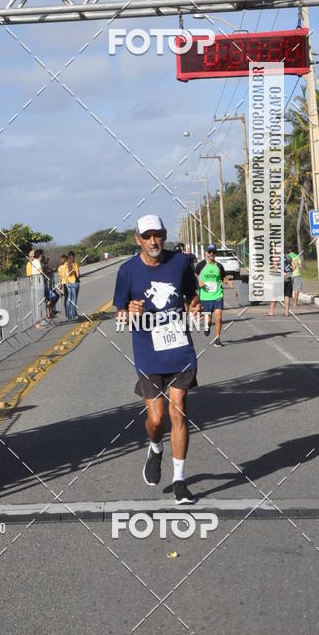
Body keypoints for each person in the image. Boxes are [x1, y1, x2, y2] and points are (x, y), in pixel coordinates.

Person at [113, 214, 200, 505]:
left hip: (180, 350)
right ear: (138, 239)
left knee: (179, 412)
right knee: (157, 418)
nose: (153, 241)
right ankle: (155, 446)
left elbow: (192, 295)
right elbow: (119, 314)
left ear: (164, 235)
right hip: (148, 353)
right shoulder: (127, 271)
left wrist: (195, 305)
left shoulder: (179, 263)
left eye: (158, 235)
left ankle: (179, 481)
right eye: (147, 236)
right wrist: (130, 312)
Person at [195, 245, 231, 346]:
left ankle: (217, 338)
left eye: (213, 252)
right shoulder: (201, 265)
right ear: (206, 253)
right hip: (206, 297)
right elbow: (194, 276)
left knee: (218, 317)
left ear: (215, 254)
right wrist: (198, 282)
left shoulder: (219, 266)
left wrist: (227, 282)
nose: (211, 254)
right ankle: (207, 326)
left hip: (217, 295)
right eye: (209, 252)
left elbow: (223, 278)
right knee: (209, 320)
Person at [265, 250, 294, 317]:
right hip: (288, 278)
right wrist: (289, 273)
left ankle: (271, 312)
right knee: (286, 296)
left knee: (275, 295)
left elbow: (276, 268)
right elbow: (294, 266)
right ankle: (287, 312)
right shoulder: (288, 256)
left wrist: (283, 273)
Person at [64, 251, 80, 320]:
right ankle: (73, 314)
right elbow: (78, 275)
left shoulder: (65, 264)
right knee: (74, 299)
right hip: (74, 282)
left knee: (69, 299)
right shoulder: (74, 263)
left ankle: (68, 315)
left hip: (67, 283)